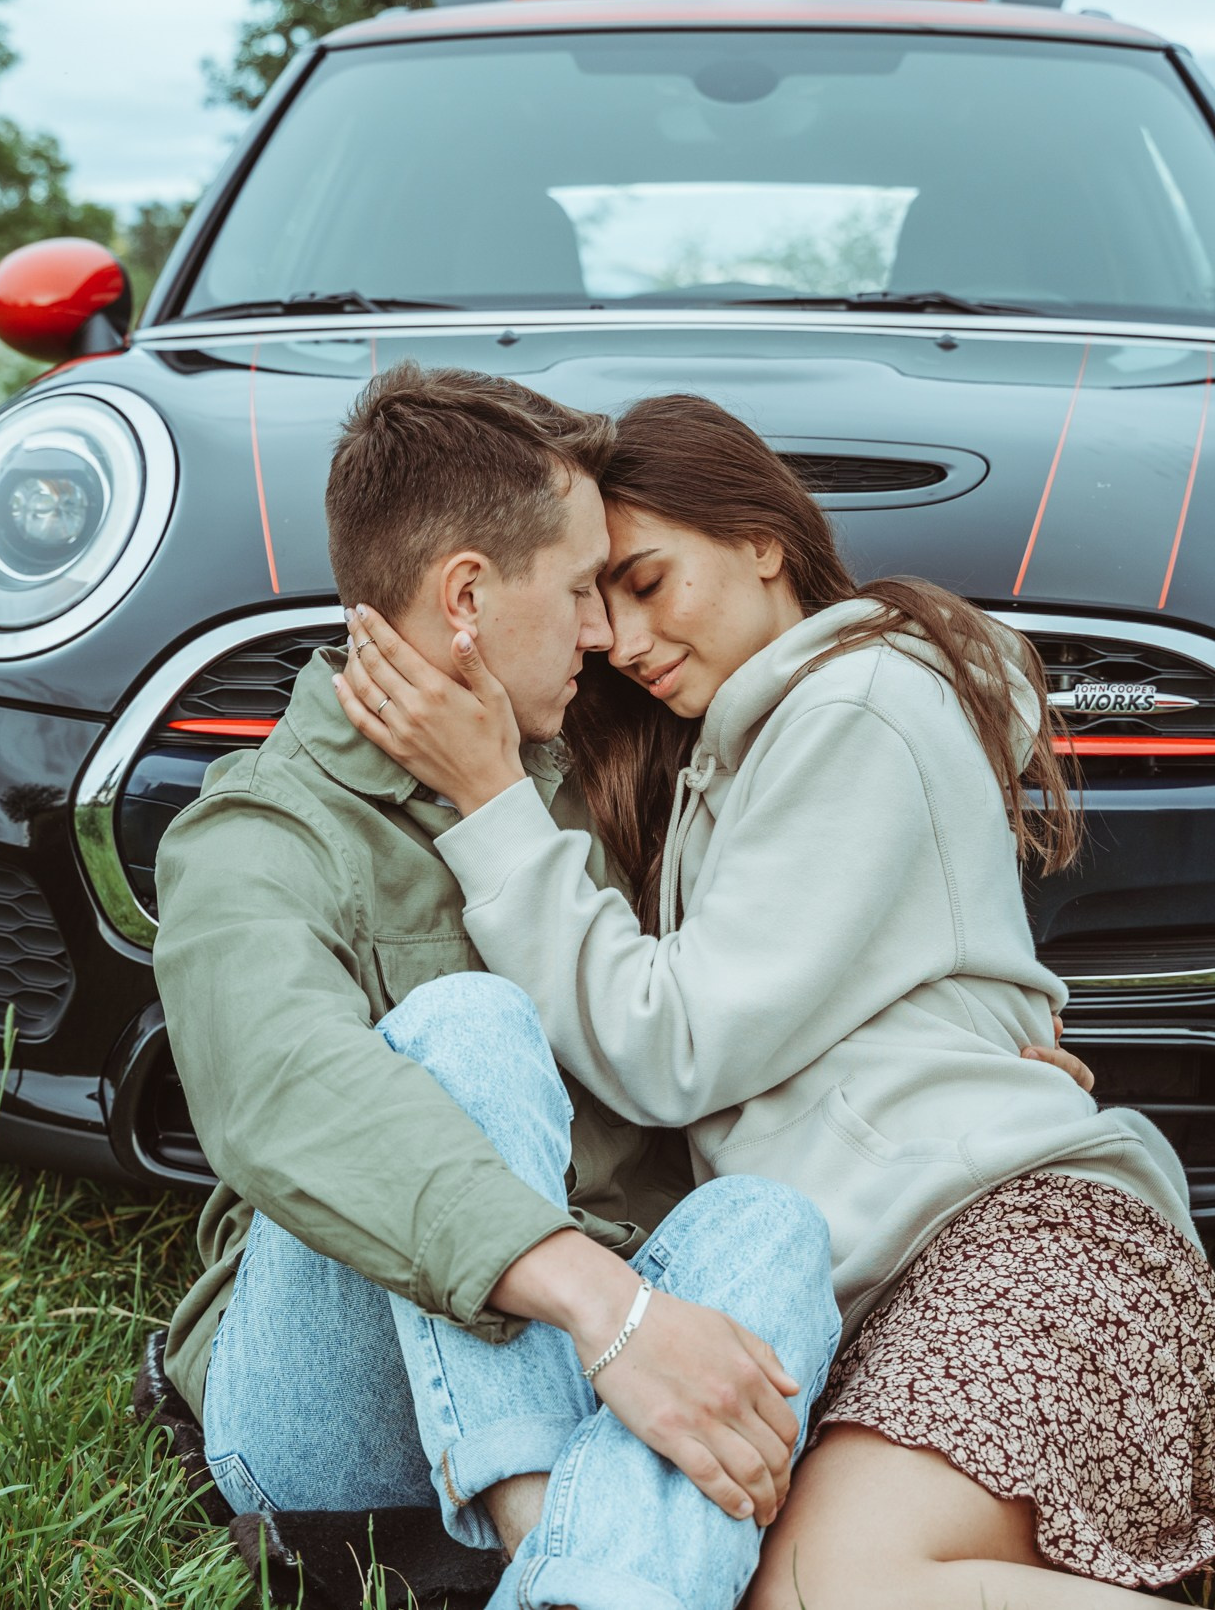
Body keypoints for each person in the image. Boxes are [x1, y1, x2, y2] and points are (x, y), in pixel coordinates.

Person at [334, 393, 1215, 1609]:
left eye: (646, 579)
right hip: (889, 1285)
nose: (618, 636)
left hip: (1015, 1248)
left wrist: (487, 797)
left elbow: (669, 1045)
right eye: (594, 601)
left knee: (830, 1582)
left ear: (761, 536)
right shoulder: (739, 749)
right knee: (756, 1574)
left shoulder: (860, 706)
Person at [150, 362, 846, 1610]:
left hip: (611, 1362)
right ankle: (544, 1523)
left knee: (772, 1223)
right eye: (582, 588)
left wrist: (967, 1027)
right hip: (335, 1427)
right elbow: (281, 1095)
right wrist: (614, 1313)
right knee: (467, 1021)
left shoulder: (594, 775)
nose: (604, 632)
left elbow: (762, 959)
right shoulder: (258, 833)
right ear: (465, 596)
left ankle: (581, 1585)